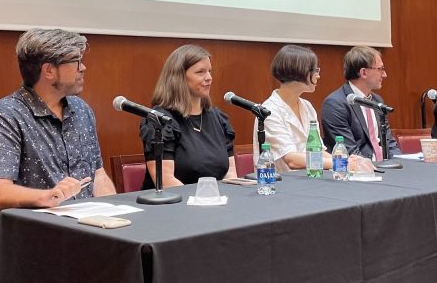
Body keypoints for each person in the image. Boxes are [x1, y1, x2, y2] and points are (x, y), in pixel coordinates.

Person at [0, 28, 116, 260]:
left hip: (86, 233)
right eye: (76, 61)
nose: (83, 67)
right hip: (28, 243)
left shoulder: (82, 111)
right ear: (49, 70)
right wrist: (45, 197)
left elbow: (97, 174)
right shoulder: (6, 116)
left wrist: (110, 213)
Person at [257, 44, 375, 174]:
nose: (318, 76)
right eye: (315, 70)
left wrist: (345, 160)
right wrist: (341, 163)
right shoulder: (269, 111)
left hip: (312, 178)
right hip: (282, 183)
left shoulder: (307, 106)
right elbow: (292, 160)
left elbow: (318, 151)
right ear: (299, 71)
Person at [139, 45, 237, 188]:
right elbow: (165, 180)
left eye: (209, 71)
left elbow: (230, 172)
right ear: (179, 78)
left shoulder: (218, 119)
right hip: (175, 205)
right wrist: (204, 201)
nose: (209, 78)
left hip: (215, 203)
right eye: (200, 72)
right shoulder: (160, 121)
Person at [320, 45, 400, 159]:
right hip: (360, 170)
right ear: (363, 73)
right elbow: (349, 152)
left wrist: (403, 162)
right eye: (380, 69)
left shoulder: (377, 101)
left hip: (384, 166)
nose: (384, 74)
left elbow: (389, 144)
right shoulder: (335, 104)